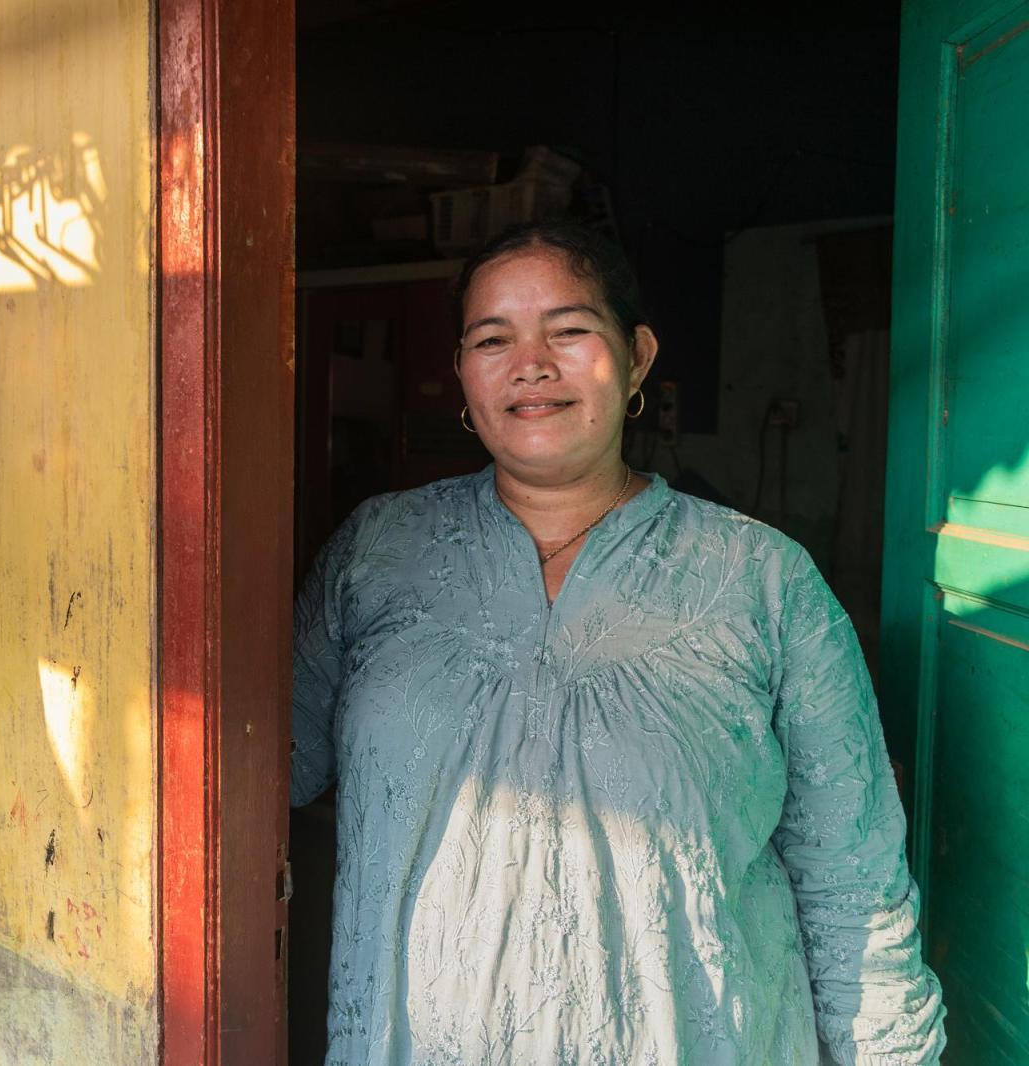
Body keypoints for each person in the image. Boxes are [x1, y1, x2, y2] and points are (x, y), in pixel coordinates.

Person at [292, 221, 945, 1064]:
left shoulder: (763, 580)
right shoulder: (377, 551)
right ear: (461, 373)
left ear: (636, 356)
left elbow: (852, 880)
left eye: (568, 330)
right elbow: (261, 769)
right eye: (493, 338)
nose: (531, 364)